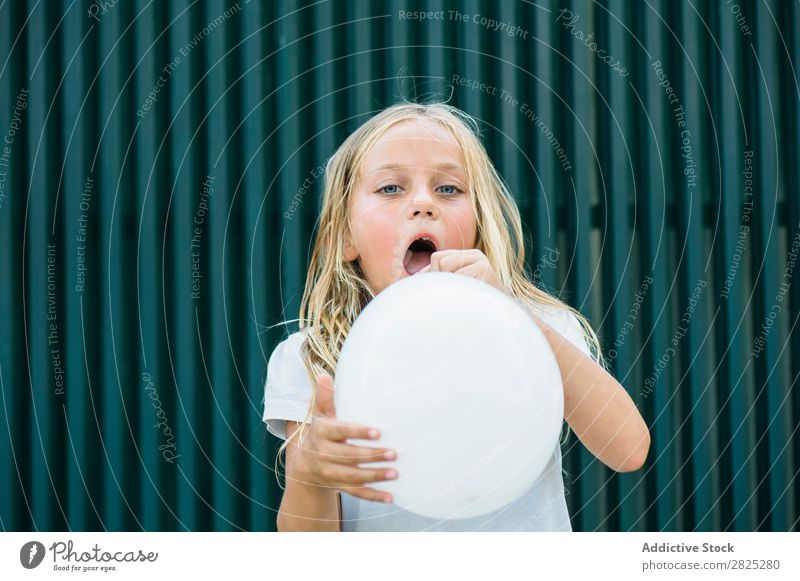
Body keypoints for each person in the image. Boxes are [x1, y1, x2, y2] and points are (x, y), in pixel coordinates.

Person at [262, 101, 650, 531]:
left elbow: (627, 449)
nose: (424, 203)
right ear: (345, 238)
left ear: (479, 226)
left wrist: (515, 314)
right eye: (391, 188)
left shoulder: (537, 328)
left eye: (448, 189)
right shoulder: (310, 359)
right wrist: (311, 475)